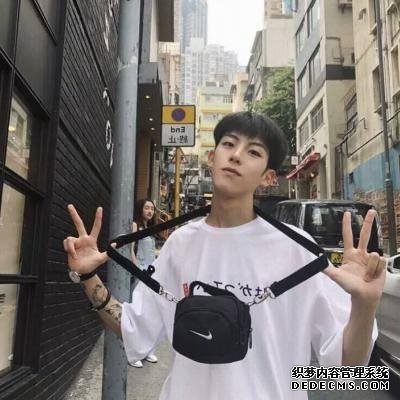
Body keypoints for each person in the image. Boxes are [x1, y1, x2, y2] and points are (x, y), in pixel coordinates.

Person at [63, 112, 386, 400]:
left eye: (254, 152)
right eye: (229, 144)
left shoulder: (298, 249)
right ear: (211, 157)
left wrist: (365, 305)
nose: (236, 155)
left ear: (268, 177)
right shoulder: (181, 244)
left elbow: (347, 368)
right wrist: (88, 276)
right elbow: (135, 326)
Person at [129, 198, 158, 367]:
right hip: (140, 273)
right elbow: (130, 250)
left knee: (148, 312)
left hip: (151, 274)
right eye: (147, 208)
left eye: (152, 209)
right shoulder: (135, 226)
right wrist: (137, 269)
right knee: (137, 311)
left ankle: (146, 350)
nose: (150, 211)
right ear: (140, 209)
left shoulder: (149, 229)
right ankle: (134, 354)